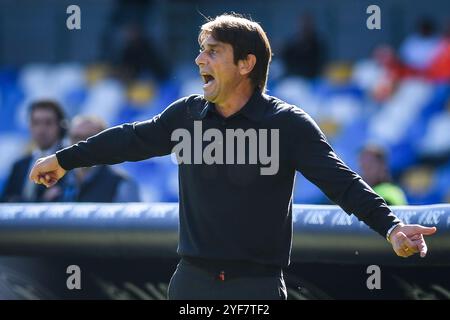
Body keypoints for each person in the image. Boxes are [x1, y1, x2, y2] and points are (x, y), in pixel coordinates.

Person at [29, 14, 437, 300]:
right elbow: (129, 140)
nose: (199, 59)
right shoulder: (187, 113)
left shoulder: (287, 124)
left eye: (212, 52)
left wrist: (391, 227)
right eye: (200, 50)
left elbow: (341, 182)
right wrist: (65, 160)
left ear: (246, 63)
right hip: (190, 281)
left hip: (256, 286)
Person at [59, 115, 141, 202]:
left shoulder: (121, 185)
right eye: (76, 137)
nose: (80, 145)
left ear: (104, 143)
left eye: (89, 139)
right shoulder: (55, 181)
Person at [1, 100, 67, 202]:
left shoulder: (66, 163)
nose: (41, 129)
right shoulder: (19, 165)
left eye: (48, 123)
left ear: (60, 126)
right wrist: (42, 199)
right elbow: (5, 201)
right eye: (36, 123)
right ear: (30, 126)